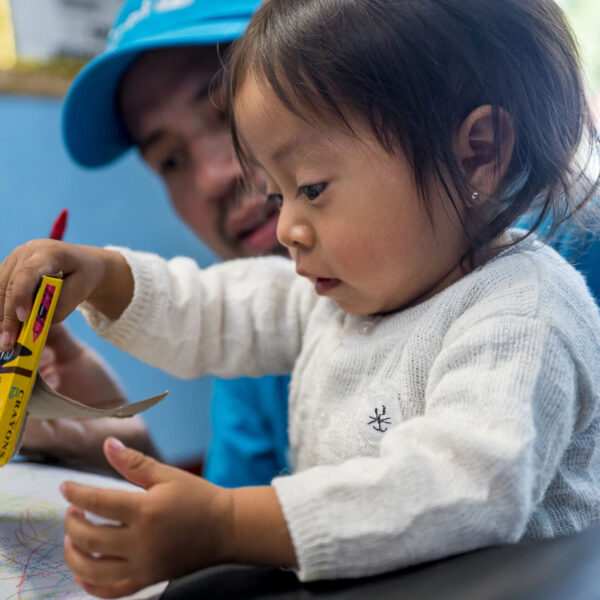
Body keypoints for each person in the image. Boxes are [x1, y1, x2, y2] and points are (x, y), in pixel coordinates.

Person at [2, 0, 600, 596]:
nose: (286, 226)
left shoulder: (522, 310)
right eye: (276, 193)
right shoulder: (353, 288)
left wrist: (228, 523)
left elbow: (468, 484)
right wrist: (105, 275)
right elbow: (218, 309)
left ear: (479, 152)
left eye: (310, 187)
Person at [21, 0, 290, 486]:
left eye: (230, 112)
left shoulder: (460, 293)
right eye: (170, 160)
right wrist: (122, 451)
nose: (212, 178)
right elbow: (236, 532)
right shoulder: (249, 342)